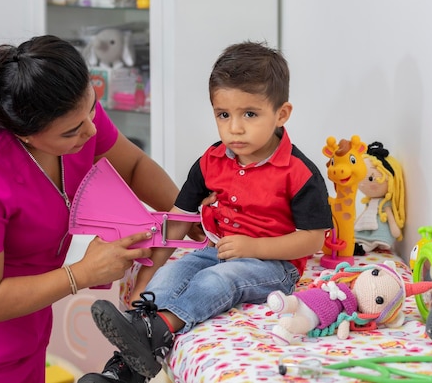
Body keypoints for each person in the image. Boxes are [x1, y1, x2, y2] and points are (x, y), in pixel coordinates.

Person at [0, 35, 195, 383]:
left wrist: (189, 218)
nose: (91, 130)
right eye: (73, 131)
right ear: (25, 134)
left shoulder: (72, 111)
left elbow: (133, 166)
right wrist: (83, 273)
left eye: (92, 108)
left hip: (29, 323)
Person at [79, 41, 334, 383]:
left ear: (281, 114)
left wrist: (253, 247)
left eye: (250, 114)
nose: (235, 128)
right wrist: (145, 279)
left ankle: (159, 329)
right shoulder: (211, 161)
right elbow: (178, 219)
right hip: (218, 250)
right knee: (174, 274)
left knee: (216, 280)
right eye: (223, 115)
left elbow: (312, 240)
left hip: (275, 266)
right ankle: (121, 369)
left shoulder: (299, 173)